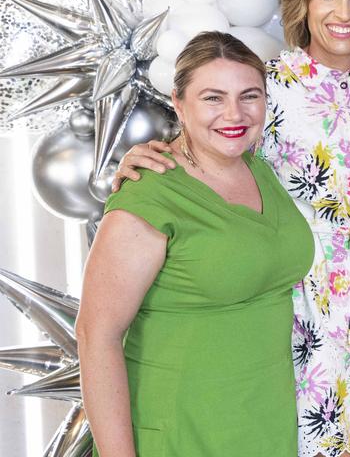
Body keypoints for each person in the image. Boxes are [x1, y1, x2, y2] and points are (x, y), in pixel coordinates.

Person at [112, 0, 350, 457]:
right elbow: (205, 147)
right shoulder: (270, 87)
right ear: (304, 2)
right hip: (307, 298)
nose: (343, 12)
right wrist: (142, 159)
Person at [80, 32, 315, 456]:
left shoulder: (259, 169)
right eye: (212, 97)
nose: (234, 113)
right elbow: (96, 336)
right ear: (178, 102)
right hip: (178, 430)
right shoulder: (148, 194)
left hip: (263, 424)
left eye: (249, 96)